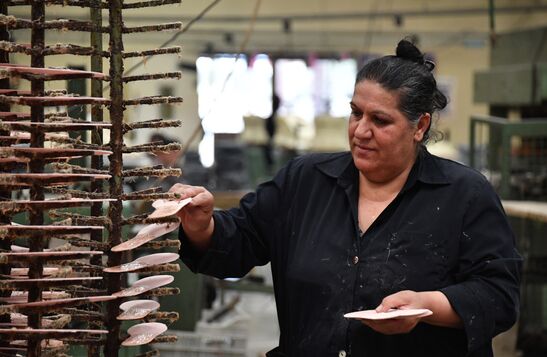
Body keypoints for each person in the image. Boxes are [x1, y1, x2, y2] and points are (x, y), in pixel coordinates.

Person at [170, 39, 521, 357]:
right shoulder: (305, 181)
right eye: (356, 113)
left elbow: (498, 295)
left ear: (420, 126)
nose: (360, 131)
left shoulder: (464, 195)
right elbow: (239, 242)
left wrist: (428, 304)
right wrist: (203, 225)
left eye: (380, 120)